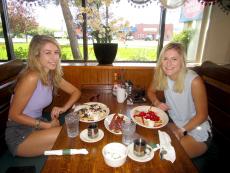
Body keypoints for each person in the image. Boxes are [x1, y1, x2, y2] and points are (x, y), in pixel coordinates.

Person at [5, 35, 81, 157]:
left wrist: (63, 108)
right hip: (20, 133)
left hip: (38, 125)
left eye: (56, 52)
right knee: (70, 135)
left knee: (71, 139)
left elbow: (76, 92)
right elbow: (13, 115)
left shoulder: (51, 74)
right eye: (47, 53)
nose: (54, 57)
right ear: (36, 55)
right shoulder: (31, 77)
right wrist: (47, 126)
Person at [147, 42, 212, 158]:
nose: (168, 63)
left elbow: (202, 115)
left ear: (182, 61)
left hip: (198, 128)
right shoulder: (162, 75)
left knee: (168, 155)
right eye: (165, 59)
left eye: (174, 59)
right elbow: (150, 92)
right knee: (153, 141)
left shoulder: (194, 81)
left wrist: (181, 130)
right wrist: (157, 103)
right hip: (176, 123)